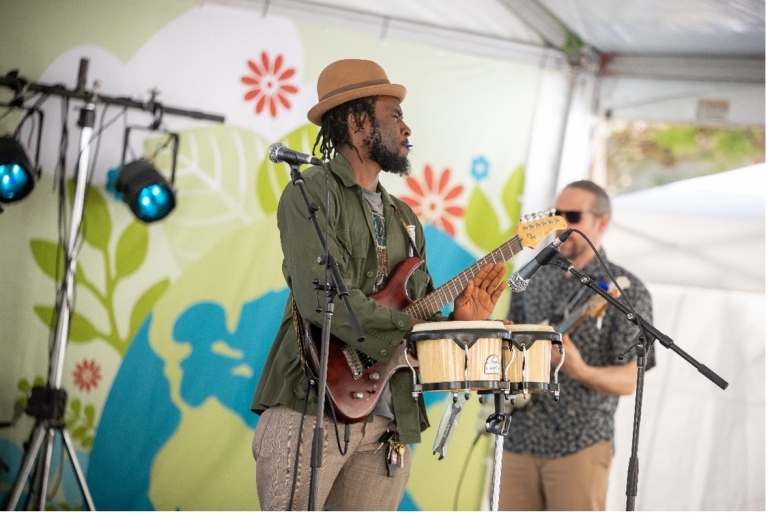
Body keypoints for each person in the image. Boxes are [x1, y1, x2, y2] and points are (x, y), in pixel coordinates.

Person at [250, 58, 506, 511]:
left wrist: (456, 324)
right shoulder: (309, 194)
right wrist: (408, 327)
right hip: (312, 406)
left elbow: (417, 320)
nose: (407, 128)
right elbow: (324, 301)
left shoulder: (406, 220)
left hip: (389, 419)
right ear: (356, 120)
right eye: (396, 115)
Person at [498, 180, 654, 511]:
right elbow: (508, 342)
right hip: (519, 435)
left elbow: (630, 380)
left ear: (602, 222)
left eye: (572, 215)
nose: (560, 224)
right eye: (556, 214)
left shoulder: (627, 290)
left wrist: (579, 369)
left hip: (579, 442)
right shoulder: (530, 277)